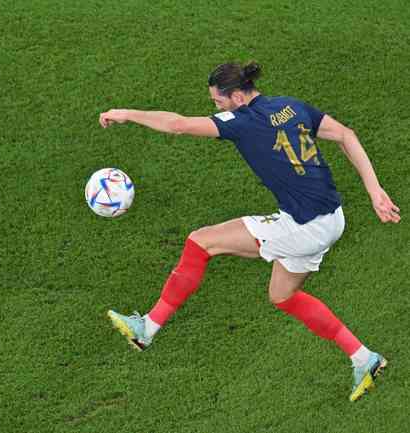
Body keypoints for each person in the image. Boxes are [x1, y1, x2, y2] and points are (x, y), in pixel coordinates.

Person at [99, 61, 400, 401]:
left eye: (218, 102)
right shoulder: (291, 106)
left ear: (238, 97)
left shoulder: (243, 121)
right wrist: (375, 191)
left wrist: (126, 112)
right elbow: (346, 135)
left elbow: (178, 125)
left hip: (304, 226)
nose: (216, 108)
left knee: (202, 242)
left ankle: (147, 329)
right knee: (283, 296)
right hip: (333, 219)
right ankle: (365, 358)